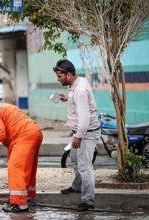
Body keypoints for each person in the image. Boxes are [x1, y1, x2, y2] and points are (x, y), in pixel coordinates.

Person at [53, 59, 100, 211]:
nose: (58, 79)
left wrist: (78, 137)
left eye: (60, 76)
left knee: (85, 167)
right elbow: (79, 102)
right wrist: (68, 98)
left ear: (68, 75)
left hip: (85, 134)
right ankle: (77, 186)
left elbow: (85, 118)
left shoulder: (79, 90)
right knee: (74, 159)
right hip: (81, 133)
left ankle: (88, 201)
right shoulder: (78, 83)